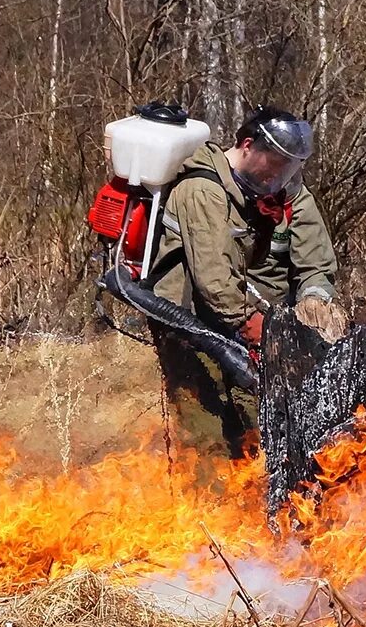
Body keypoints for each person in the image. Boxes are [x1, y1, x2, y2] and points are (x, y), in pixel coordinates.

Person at [147, 105, 346, 458]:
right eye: (276, 163)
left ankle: (257, 499)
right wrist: (260, 330)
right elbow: (216, 284)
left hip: (248, 324)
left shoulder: (284, 191)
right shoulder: (203, 190)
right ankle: (210, 508)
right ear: (248, 146)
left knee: (258, 424)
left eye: (290, 166)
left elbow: (316, 261)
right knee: (206, 433)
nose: (281, 175)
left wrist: (313, 302)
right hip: (189, 325)